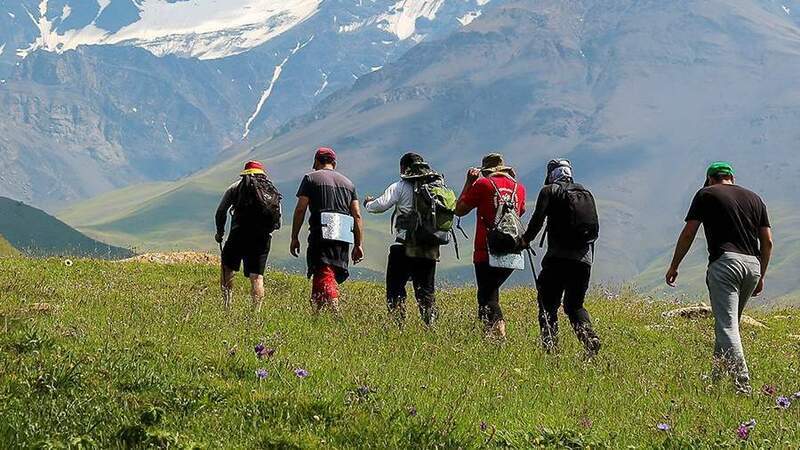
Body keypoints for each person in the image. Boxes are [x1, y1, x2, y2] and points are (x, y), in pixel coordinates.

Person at [665, 162, 773, 394]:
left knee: (726, 327)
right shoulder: (755, 198)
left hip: (726, 264)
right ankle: (715, 381)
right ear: (731, 177)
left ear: (711, 179)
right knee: (729, 325)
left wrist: (675, 264)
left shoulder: (706, 194)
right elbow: (768, 241)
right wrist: (761, 274)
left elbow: (689, 232)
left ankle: (742, 385)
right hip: (752, 266)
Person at [522, 159, 601, 356]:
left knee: (547, 305)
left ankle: (551, 351)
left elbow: (537, 221)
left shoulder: (549, 191)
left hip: (557, 259)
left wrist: (523, 241)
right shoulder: (585, 193)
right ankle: (589, 338)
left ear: (551, 174)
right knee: (574, 306)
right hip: (583, 261)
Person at [363, 153, 442, 326]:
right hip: (429, 247)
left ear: (402, 168)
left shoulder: (399, 186)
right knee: (426, 290)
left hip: (404, 246)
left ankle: (398, 325)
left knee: (396, 287)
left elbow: (381, 206)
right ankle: (431, 325)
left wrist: (368, 203)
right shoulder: (435, 188)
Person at [455, 153, 526, 339]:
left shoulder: (483, 184)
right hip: (513, 249)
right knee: (489, 292)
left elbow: (460, 209)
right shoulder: (519, 188)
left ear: (486, 171)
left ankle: (498, 333)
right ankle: (487, 335)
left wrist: (469, 182)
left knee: (487, 296)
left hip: (486, 250)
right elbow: (522, 211)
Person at [290, 147, 364, 313]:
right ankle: (316, 316)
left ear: (316, 161)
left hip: (321, 232)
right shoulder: (349, 184)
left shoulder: (310, 178)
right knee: (325, 272)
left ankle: (335, 311)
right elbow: (357, 215)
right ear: (334, 163)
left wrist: (294, 236)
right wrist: (359, 244)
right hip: (344, 233)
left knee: (323, 270)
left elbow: (300, 209)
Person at [215, 161, 282, 311]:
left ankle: (227, 306)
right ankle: (255, 313)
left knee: (227, 268)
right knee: (257, 277)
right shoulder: (271, 190)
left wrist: (220, 233)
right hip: (262, 238)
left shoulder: (235, 187)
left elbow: (221, 211)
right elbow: (278, 219)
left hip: (238, 234)